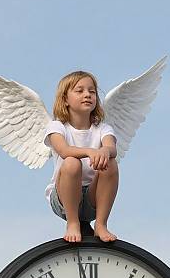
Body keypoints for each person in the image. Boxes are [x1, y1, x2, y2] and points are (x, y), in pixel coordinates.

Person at [44, 71, 119, 243]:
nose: (87, 94)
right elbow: (64, 150)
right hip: (65, 198)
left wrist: (104, 152)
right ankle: (72, 223)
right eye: (79, 91)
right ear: (65, 100)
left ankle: (101, 224)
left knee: (111, 164)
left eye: (92, 92)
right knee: (71, 163)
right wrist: (90, 152)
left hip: (94, 199)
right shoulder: (57, 127)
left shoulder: (102, 128)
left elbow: (111, 147)